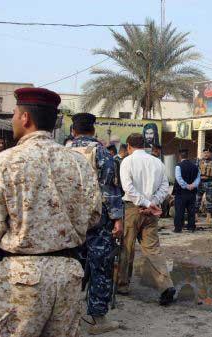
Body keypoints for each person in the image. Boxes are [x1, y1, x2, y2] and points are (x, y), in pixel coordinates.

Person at [0, 87, 102, 337]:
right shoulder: (78, 162)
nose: (11, 120)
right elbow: (94, 216)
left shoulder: (6, 161)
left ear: (25, 118)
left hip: (21, 278)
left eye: (13, 113)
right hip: (68, 276)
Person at [70, 113, 124, 334]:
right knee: (100, 267)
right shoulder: (101, 152)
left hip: (69, 222)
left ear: (73, 131)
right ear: (93, 131)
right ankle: (98, 320)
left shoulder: (63, 152)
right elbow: (109, 190)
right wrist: (117, 220)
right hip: (97, 222)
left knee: (73, 267)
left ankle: (69, 313)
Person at [118, 133, 175, 305]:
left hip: (132, 209)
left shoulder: (127, 161)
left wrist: (144, 202)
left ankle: (122, 285)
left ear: (129, 146)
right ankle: (166, 285)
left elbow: (127, 187)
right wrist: (153, 203)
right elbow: (165, 186)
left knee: (126, 248)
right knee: (153, 250)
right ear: (144, 145)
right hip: (151, 211)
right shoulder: (157, 161)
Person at [173, 149, 201, 233]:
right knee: (191, 210)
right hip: (192, 192)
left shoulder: (178, 166)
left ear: (180, 156)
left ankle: (178, 228)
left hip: (181, 192)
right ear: (187, 156)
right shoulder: (195, 166)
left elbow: (178, 178)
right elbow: (198, 178)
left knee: (179, 211)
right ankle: (191, 227)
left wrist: (185, 186)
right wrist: (193, 185)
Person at [196, 147, 212, 224]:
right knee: (197, 200)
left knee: (209, 200)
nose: (206, 154)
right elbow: (195, 172)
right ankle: (195, 216)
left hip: (209, 183)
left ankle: (208, 217)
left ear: (210, 154)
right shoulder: (199, 162)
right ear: (202, 153)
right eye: (204, 153)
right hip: (200, 183)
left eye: (207, 153)